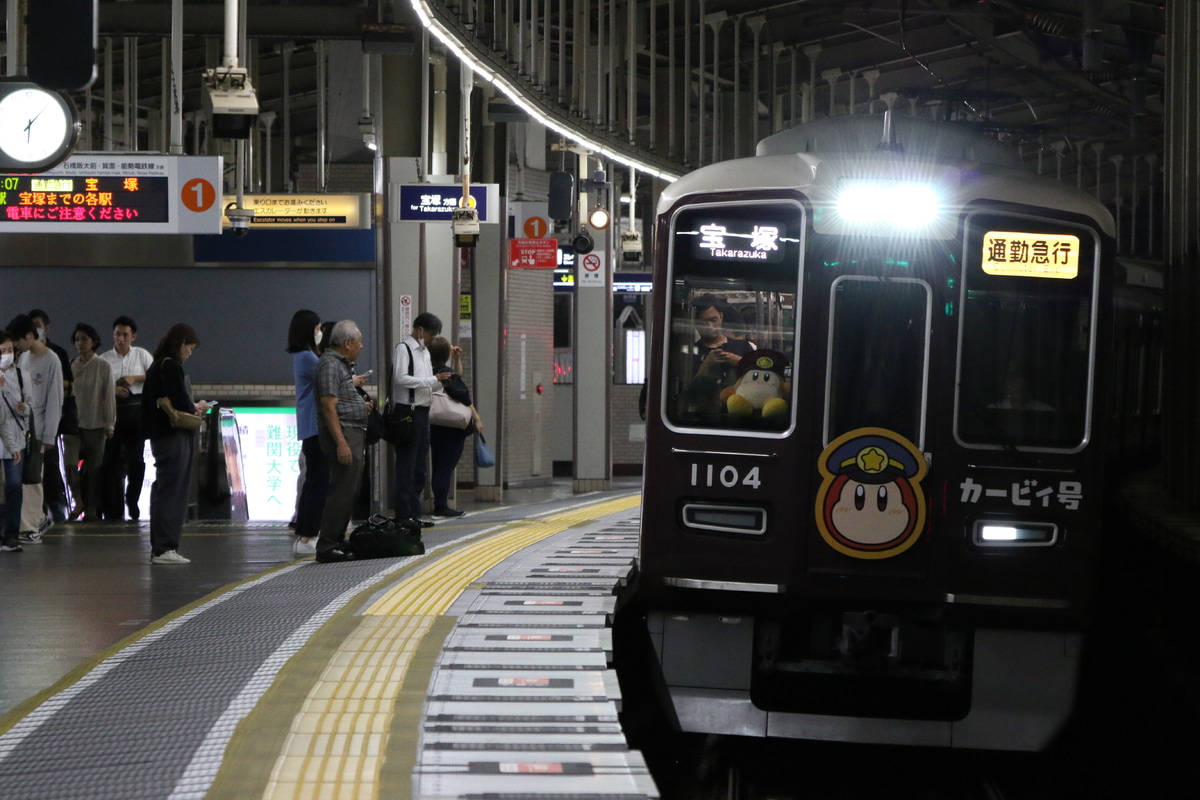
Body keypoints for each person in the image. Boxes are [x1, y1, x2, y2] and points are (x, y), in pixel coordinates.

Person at [141, 323, 208, 565]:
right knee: (174, 491)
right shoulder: (171, 366)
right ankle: (166, 547)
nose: (190, 352)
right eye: (190, 347)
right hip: (174, 436)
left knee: (163, 490)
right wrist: (196, 408)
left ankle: (159, 546)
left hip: (160, 437)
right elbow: (180, 400)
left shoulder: (156, 365)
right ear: (181, 344)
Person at [313, 320, 371, 563]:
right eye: (359, 342)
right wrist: (341, 443)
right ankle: (326, 545)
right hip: (344, 434)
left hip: (352, 431)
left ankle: (337, 539)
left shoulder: (341, 365)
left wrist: (361, 406)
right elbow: (328, 406)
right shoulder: (329, 365)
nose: (362, 346)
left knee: (349, 490)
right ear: (347, 344)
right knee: (341, 491)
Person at [7, 314, 63, 544]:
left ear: (30, 336)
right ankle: (37, 520)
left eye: (17, 342)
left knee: (33, 479)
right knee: (24, 480)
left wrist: (49, 433)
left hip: (40, 430)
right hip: (22, 428)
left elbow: (55, 399)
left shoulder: (52, 360)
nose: (15, 347)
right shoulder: (23, 359)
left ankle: (32, 528)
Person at [392, 312, 451, 527]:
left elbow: (427, 383)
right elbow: (401, 378)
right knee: (406, 466)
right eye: (431, 334)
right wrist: (431, 379)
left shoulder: (425, 353)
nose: (432, 339)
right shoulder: (404, 349)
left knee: (419, 468)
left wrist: (441, 381)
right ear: (420, 331)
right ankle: (403, 516)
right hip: (407, 412)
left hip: (423, 411)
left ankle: (415, 515)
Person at [99, 315, 154, 522]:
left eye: (125, 335)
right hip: (112, 414)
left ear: (133, 337)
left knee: (136, 462)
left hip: (136, 415)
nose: (120, 339)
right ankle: (113, 508)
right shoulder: (104, 359)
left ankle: (132, 500)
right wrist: (113, 389)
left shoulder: (141, 355)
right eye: (117, 334)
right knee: (110, 463)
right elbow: (98, 386)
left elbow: (155, 376)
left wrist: (134, 378)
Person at [65, 323, 116, 521]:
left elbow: (109, 396)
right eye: (77, 339)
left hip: (96, 422)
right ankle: (78, 500)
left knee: (95, 469)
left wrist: (110, 423)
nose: (80, 343)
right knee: (70, 463)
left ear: (93, 342)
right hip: (72, 423)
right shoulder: (71, 364)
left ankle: (93, 507)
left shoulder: (102, 366)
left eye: (84, 339)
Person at [286, 309, 327, 557]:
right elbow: (329, 381)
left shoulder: (305, 356)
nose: (320, 332)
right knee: (317, 483)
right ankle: (307, 536)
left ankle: (306, 534)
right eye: (317, 328)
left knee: (314, 482)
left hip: (310, 426)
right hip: (315, 426)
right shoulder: (307, 357)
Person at [428, 336, 482, 518]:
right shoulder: (445, 373)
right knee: (446, 467)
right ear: (445, 353)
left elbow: (455, 378)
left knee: (438, 466)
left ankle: (438, 504)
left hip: (434, 424)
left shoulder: (429, 372)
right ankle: (441, 506)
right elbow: (462, 395)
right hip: (452, 428)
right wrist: (476, 418)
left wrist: (456, 360)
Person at [28, 309, 72, 523]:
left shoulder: (56, 355)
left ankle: (57, 505)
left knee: (52, 467)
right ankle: (38, 512)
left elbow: (66, 387)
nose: (35, 328)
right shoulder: (23, 356)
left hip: (50, 422)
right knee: (32, 471)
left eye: (38, 324)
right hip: (28, 422)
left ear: (46, 327)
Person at [686, 295, 755, 414]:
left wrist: (739, 362)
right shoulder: (691, 351)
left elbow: (759, 378)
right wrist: (707, 364)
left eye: (713, 320)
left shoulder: (742, 346)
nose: (709, 327)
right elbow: (690, 392)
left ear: (721, 317)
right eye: (703, 323)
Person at [0, 331, 28, 553]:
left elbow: (31, 406)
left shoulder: (21, 375)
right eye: (2, 351)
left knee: (14, 486)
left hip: (15, 438)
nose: (7, 355)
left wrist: (25, 408)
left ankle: (11, 535)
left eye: (10, 350)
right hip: (5, 437)